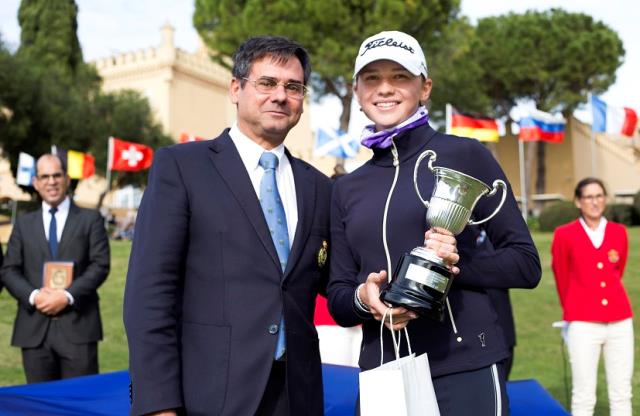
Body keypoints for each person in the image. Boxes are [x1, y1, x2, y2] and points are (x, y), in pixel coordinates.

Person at [327, 31, 541, 415]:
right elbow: (339, 297)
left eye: (400, 76)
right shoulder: (346, 189)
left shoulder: (466, 155)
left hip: (465, 366)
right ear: (356, 91)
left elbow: (525, 264)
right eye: (372, 78)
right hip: (383, 372)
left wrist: (454, 267)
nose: (385, 88)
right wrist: (364, 299)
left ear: (425, 88)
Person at [124, 36, 332, 416]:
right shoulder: (182, 168)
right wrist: (158, 405)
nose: (280, 96)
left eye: (293, 87)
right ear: (236, 89)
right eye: (267, 83)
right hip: (209, 396)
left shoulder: (319, 187)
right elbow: (149, 295)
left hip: (297, 396)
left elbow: (334, 281)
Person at [0, 154, 110, 383]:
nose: (51, 182)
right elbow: (9, 269)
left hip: (78, 328)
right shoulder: (23, 224)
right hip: (34, 330)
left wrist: (67, 296)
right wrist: (35, 296)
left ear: (67, 179)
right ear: (36, 182)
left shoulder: (90, 219)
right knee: (41, 401)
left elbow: (100, 264)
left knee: (79, 399)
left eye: (57, 175)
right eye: (45, 176)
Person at [551, 178, 633, 416]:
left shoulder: (619, 232)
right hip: (583, 323)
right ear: (578, 201)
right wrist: (574, 311)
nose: (595, 202)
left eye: (599, 196)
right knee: (584, 395)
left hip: (620, 321)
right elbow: (561, 276)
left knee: (622, 393)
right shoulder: (564, 234)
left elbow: (618, 270)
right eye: (588, 197)